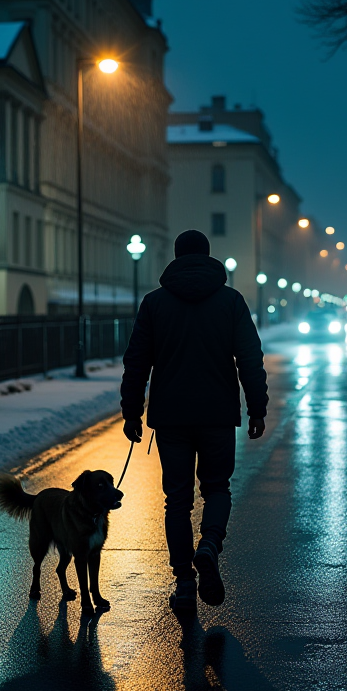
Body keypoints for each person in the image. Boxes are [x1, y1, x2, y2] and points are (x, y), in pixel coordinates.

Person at [120, 229, 268, 612]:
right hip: (217, 414)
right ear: (207, 256)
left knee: (177, 500)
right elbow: (250, 359)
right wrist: (257, 408)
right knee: (217, 488)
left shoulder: (154, 303)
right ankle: (209, 546)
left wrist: (132, 411)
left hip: (171, 417)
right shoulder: (231, 301)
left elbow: (137, 362)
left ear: (175, 256)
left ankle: (184, 581)